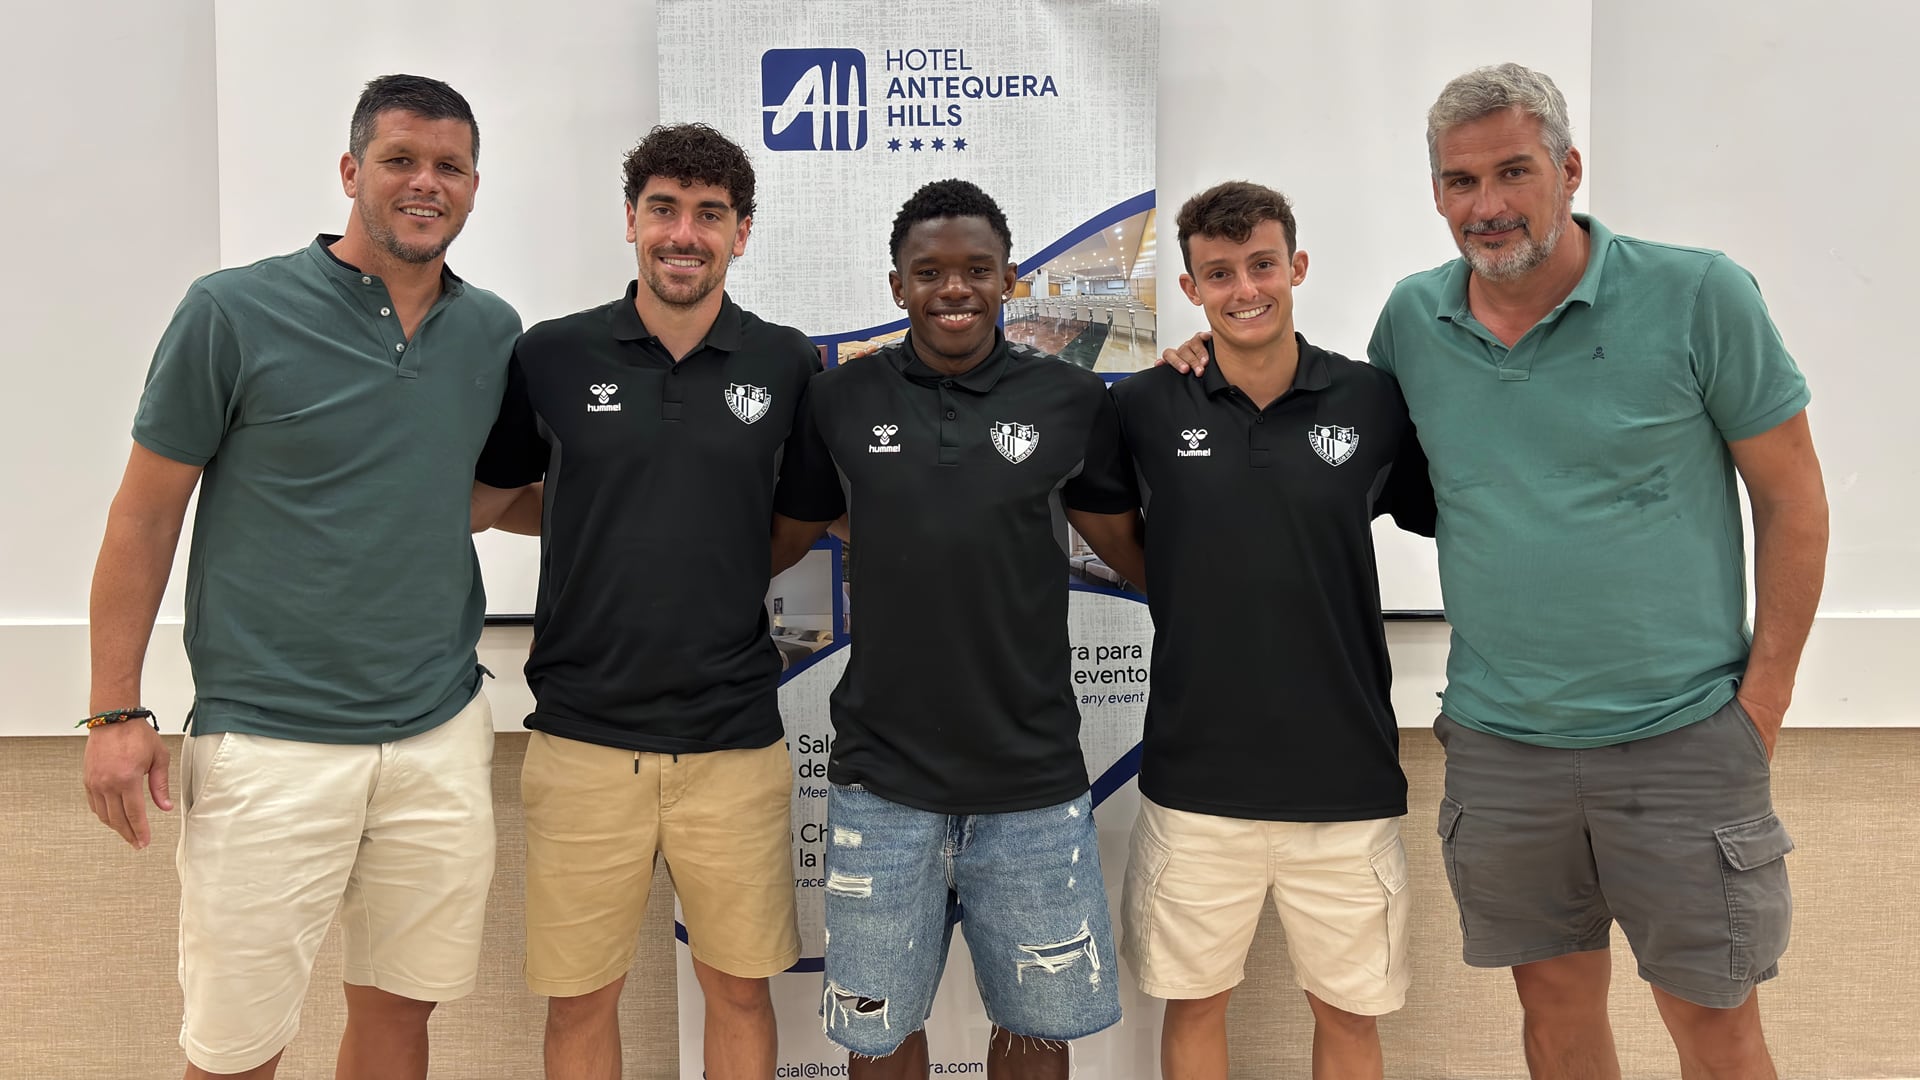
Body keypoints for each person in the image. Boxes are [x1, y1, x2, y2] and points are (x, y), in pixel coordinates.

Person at [1167, 63, 1829, 1080]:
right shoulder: (1413, 323)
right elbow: (1314, 441)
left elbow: (1793, 500)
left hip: (1683, 739)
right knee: (1555, 1023)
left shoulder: (1700, 295)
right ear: (1436, 194)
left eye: (1512, 172)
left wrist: (1763, 705)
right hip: (1504, 747)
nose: (1487, 206)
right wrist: (1207, 361)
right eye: (1460, 183)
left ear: (1568, 169)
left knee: (1716, 1027)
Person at [81, 75, 519, 1080]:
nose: (424, 182)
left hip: (438, 734)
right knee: (238, 1051)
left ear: (474, 186)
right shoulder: (232, 312)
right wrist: (114, 715)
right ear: (350, 170)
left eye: (448, 166)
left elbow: (485, 494)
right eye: (400, 158)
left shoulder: (493, 333)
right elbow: (145, 517)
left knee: (401, 1021)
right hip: (269, 744)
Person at [770, 178, 1145, 1079]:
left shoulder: (1071, 399)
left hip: (1031, 774)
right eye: (929, 270)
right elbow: (780, 540)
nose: (954, 289)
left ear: (1010, 280)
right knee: (878, 1031)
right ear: (896, 284)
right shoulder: (840, 401)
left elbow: (1132, 550)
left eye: (978, 269)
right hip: (881, 776)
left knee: (1034, 1031)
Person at [469, 123, 817, 1080]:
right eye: (664, 208)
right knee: (583, 999)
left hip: (733, 741)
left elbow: (791, 524)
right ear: (631, 220)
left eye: (710, 215)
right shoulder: (551, 355)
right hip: (583, 739)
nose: (684, 233)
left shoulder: (787, 364)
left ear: (741, 233)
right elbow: (493, 502)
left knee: (740, 991)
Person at [1112, 180, 1433, 1080]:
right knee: (1194, 1005)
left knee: (1350, 1014)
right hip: (1196, 774)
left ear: (1295, 266)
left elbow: (1451, 511)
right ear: (1190, 289)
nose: (1244, 288)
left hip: (1344, 777)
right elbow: (1109, 526)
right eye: (1219, 273)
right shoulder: (1144, 406)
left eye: (1261, 265)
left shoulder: (1373, 401)